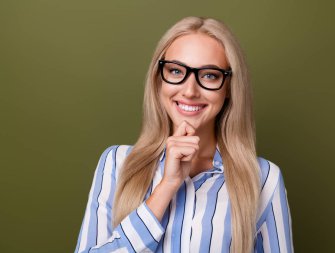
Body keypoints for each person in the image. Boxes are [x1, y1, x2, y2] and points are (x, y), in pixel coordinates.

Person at [74, 16, 294, 253]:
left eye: (209, 75)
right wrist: (167, 186)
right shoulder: (117, 164)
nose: (189, 91)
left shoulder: (263, 178)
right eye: (176, 71)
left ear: (229, 86)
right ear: (159, 80)